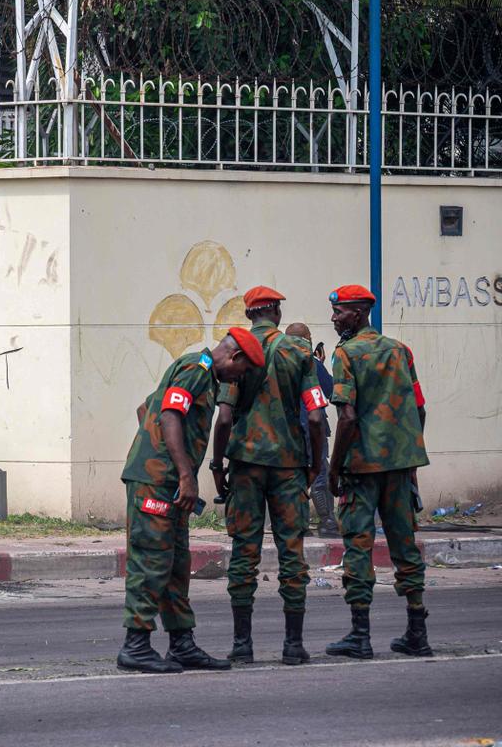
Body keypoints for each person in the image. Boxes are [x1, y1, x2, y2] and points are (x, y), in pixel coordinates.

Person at [117, 327, 260, 673]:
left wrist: (157, 452)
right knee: (151, 560)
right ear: (236, 357)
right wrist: (182, 472)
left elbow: (146, 408)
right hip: (157, 482)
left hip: (167, 484)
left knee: (176, 564)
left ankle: (182, 643)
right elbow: (169, 414)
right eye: (242, 372)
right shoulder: (198, 369)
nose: (238, 379)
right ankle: (135, 645)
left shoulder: (202, 373)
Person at [211, 287, 328, 666]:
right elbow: (314, 415)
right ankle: (293, 645)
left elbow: (224, 417)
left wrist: (217, 466)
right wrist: (313, 465)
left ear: (249, 316)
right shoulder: (299, 353)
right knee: (291, 551)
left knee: (244, 552)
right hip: (289, 466)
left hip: (245, 465)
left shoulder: (238, 351)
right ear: (276, 312)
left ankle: (242, 644)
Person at [323, 285, 433, 660]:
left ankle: (360, 634)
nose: (335, 318)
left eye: (339, 312)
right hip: (399, 466)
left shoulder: (346, 355)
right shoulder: (401, 351)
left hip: (362, 467)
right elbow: (419, 408)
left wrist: (334, 468)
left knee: (358, 544)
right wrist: (409, 454)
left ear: (357, 314)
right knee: (405, 545)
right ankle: (417, 631)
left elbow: (347, 416)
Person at [286, 322, 339, 537]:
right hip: (312, 426)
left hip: (288, 430)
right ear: (306, 339)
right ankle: (326, 521)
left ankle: (298, 524)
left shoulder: (279, 362)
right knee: (319, 472)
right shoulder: (313, 363)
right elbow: (331, 390)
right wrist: (320, 365)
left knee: (293, 474)